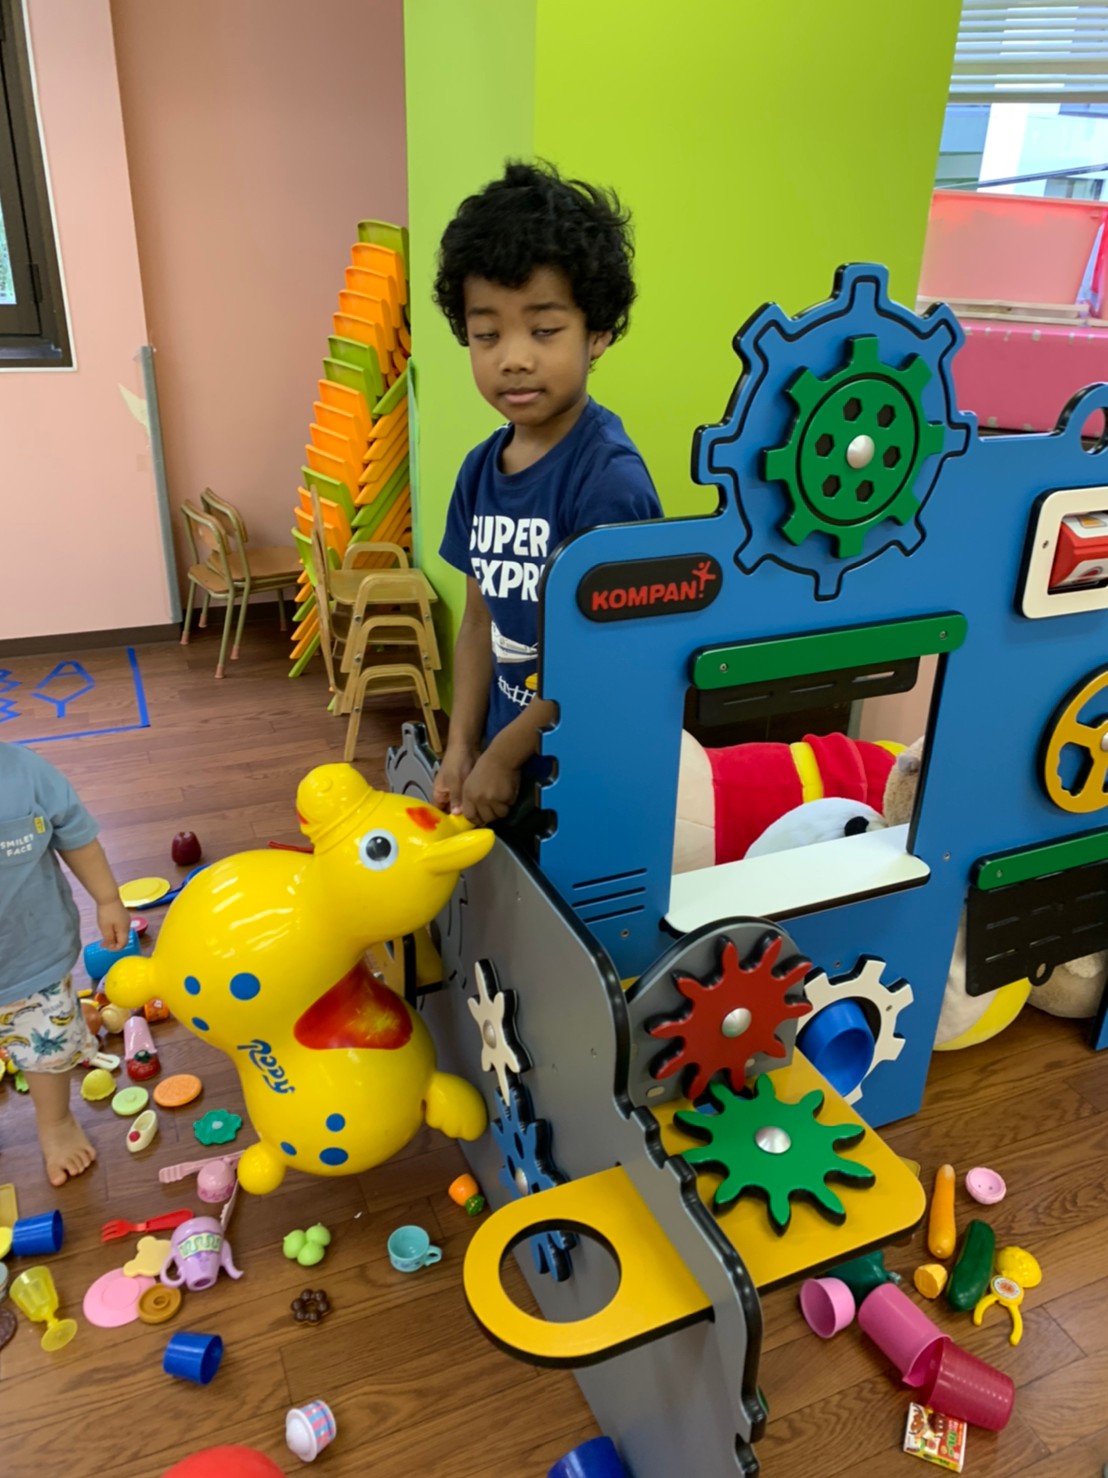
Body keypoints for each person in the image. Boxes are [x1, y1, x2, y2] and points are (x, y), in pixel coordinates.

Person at [432, 160, 662, 827]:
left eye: (543, 330)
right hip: (503, 771)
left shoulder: (609, 481)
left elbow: (608, 661)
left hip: (588, 780)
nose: (513, 357)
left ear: (598, 332)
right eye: (487, 334)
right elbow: (478, 624)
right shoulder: (479, 472)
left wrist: (507, 753)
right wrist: (462, 745)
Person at [0, 742, 130, 1185]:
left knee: (46, 1049)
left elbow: (76, 834)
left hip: (31, 959)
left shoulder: (26, 773)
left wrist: (108, 898)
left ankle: (55, 1122)